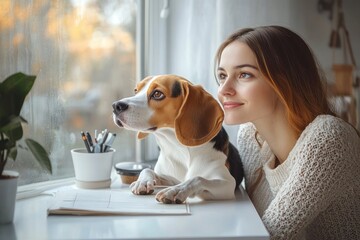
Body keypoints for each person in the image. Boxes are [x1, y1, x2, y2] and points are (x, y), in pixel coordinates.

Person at [215, 25, 360, 240]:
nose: (223, 89)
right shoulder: (251, 136)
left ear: (284, 81)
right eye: (222, 75)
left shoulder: (329, 138)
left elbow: (268, 236)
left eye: (244, 74)